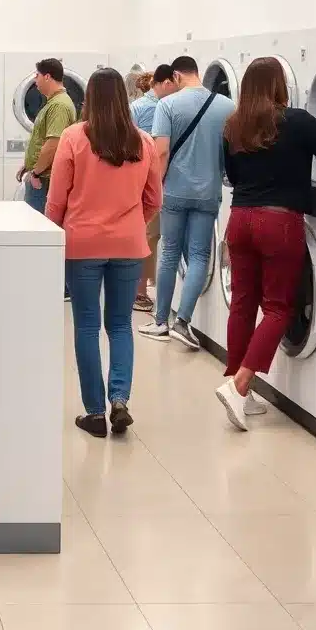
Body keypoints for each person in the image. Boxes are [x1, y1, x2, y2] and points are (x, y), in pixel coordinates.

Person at [215, 57, 316, 430]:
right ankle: (242, 385)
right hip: (279, 221)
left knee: (243, 305)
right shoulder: (296, 120)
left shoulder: (232, 125)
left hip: (241, 219)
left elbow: (230, 175)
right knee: (279, 308)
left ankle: (236, 387)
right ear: (279, 85)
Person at [46, 68, 162, 438]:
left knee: (86, 325)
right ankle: (120, 401)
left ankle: (94, 413)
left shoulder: (74, 138)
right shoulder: (142, 142)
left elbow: (56, 199)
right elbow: (154, 199)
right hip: (129, 246)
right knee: (120, 325)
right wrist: (129, 224)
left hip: (83, 244)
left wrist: (56, 234)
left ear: (90, 98)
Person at [139, 55, 235, 349]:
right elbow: (231, 151)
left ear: (177, 77)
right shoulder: (228, 107)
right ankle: (184, 321)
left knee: (169, 251)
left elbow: (162, 151)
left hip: (174, 191)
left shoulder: (167, 105)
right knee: (198, 256)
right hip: (208, 192)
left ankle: (160, 323)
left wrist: (155, 188)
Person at [129, 65, 177, 311]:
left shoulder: (135, 108)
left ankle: (139, 289)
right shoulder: (162, 107)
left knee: (147, 235)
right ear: (166, 82)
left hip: (139, 180)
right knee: (151, 236)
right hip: (156, 180)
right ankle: (140, 291)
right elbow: (161, 150)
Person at [17, 58, 78, 212]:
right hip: (41, 176)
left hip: (45, 180)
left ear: (47, 76)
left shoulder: (59, 105)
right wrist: (29, 165)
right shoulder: (53, 102)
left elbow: (53, 144)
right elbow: (43, 139)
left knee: (37, 227)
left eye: (37, 75)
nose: (34, 79)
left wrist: (36, 173)